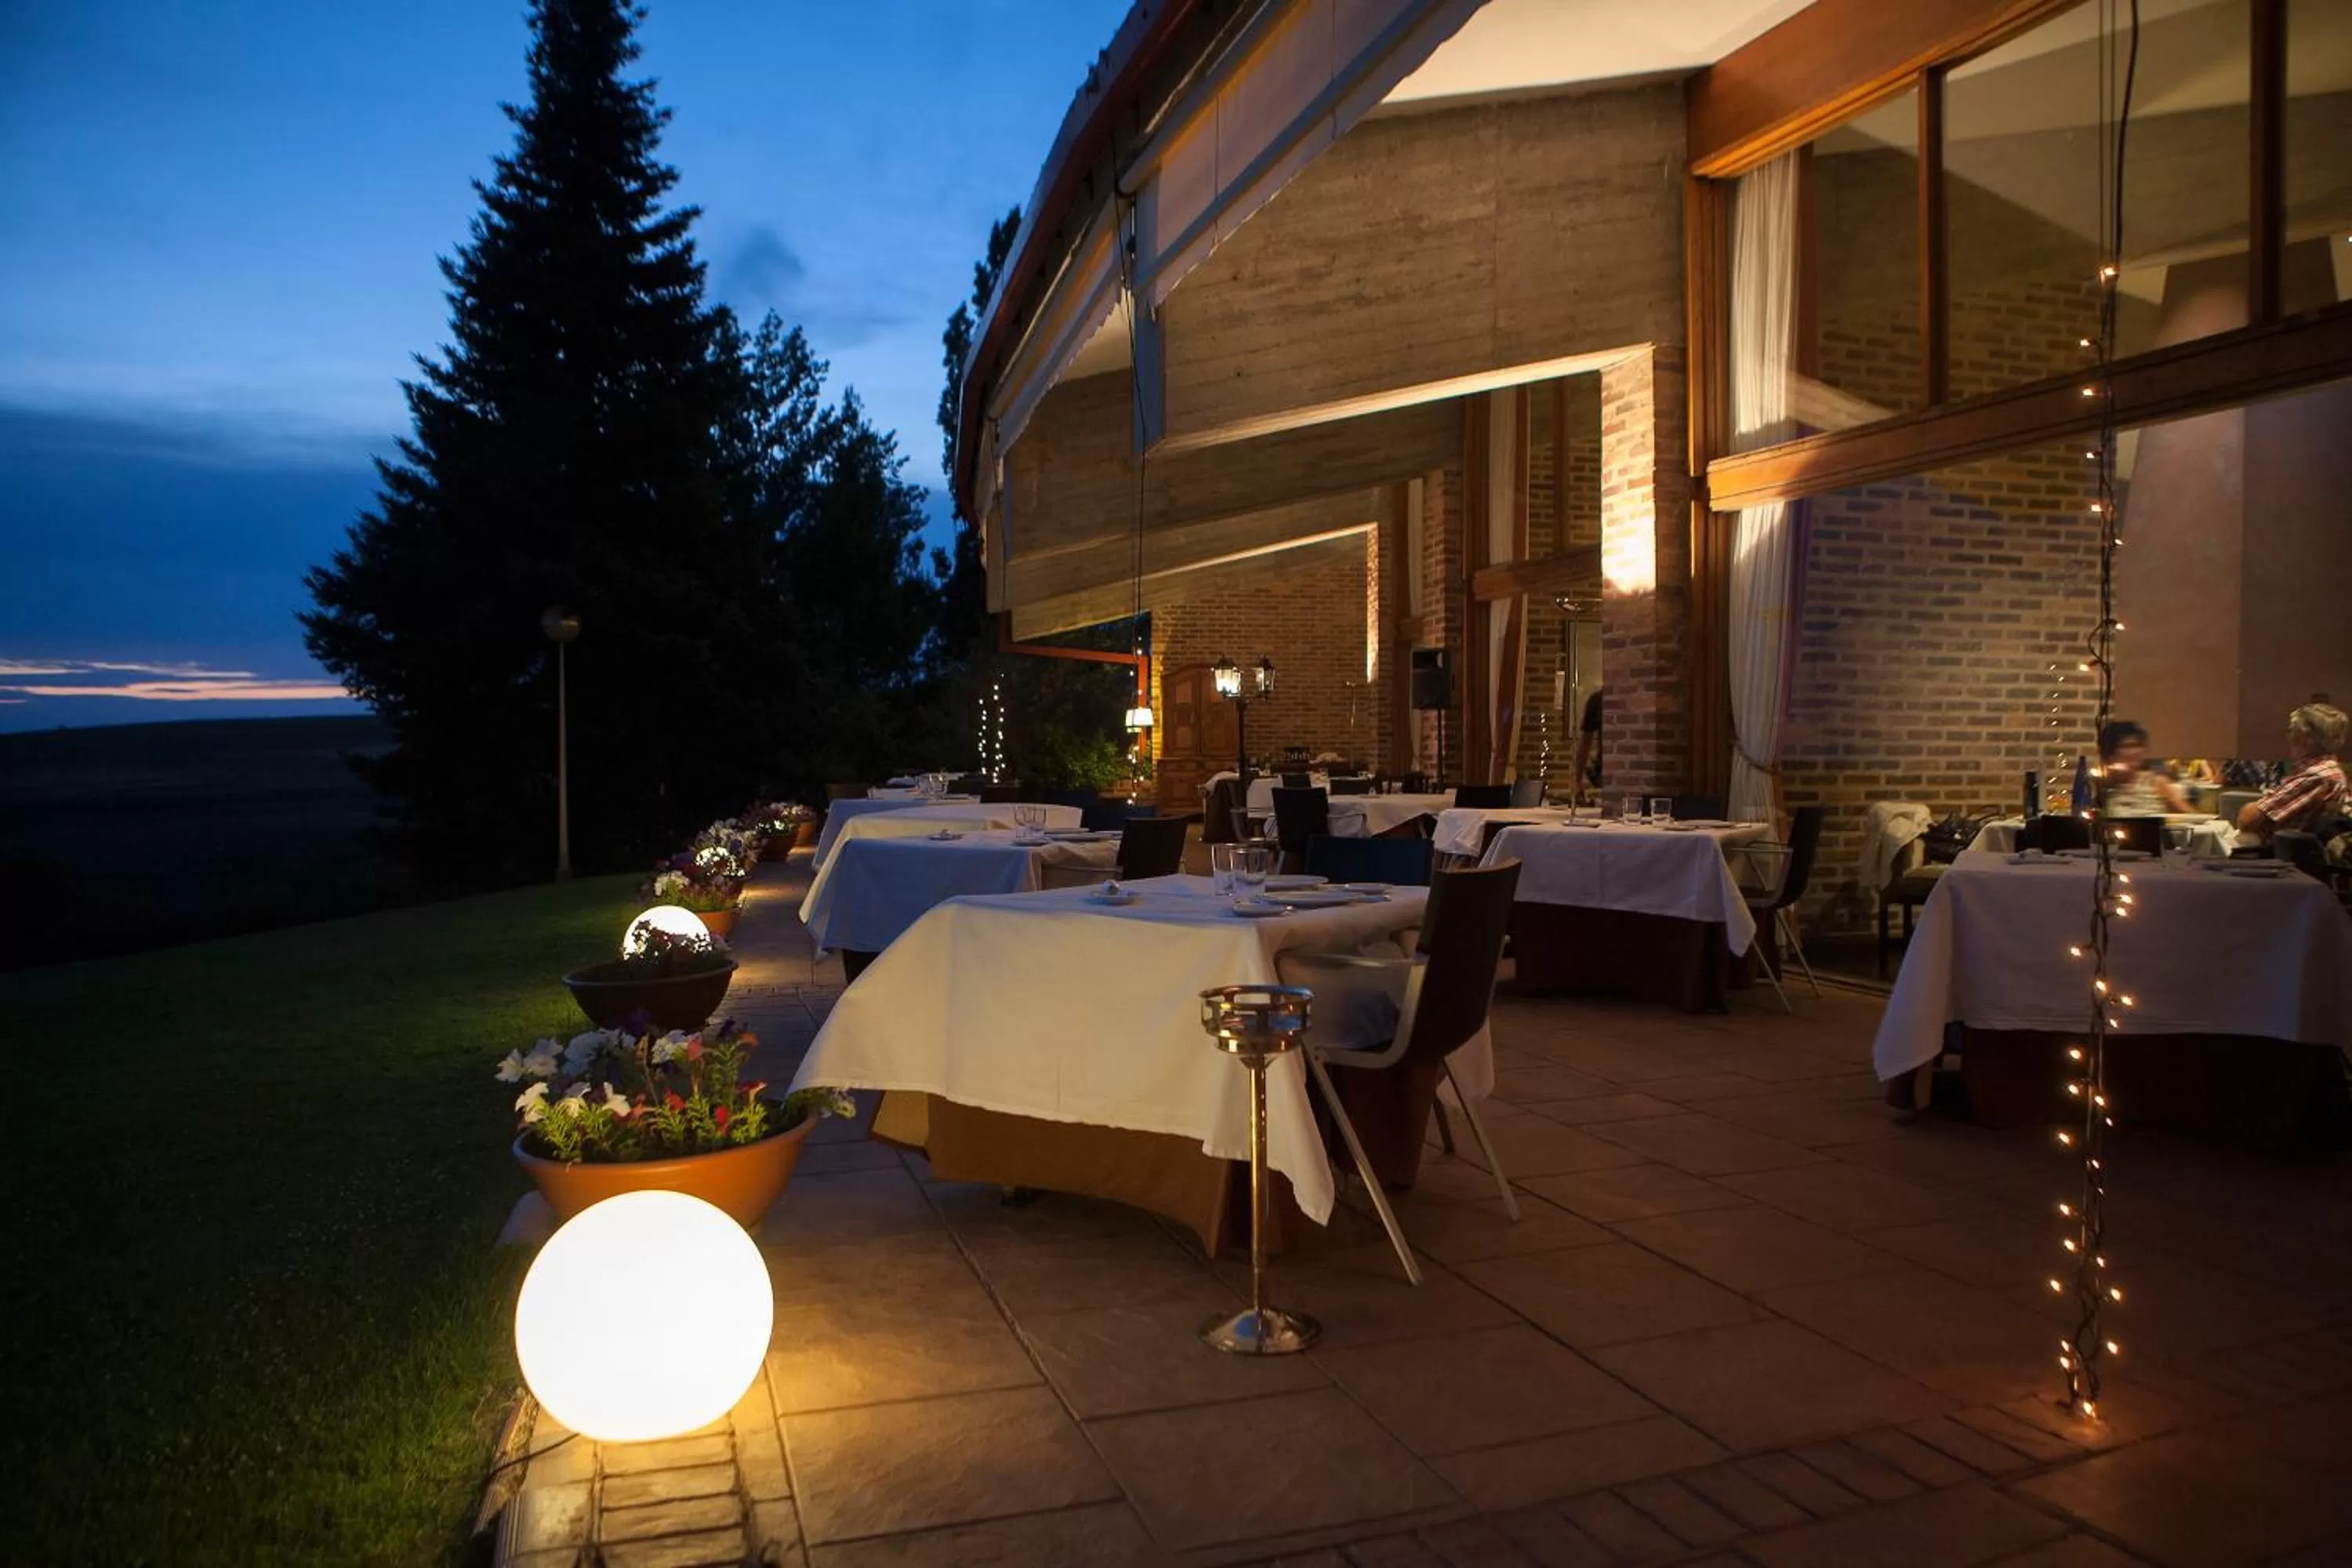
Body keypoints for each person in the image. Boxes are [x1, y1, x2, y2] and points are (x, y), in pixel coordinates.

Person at [2235, 702, 2349, 841]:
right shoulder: (2330, 769)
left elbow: (2247, 821)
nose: (2288, 737)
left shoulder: (2316, 776)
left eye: (2291, 730)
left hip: (2280, 857)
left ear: (2305, 739)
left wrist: (2256, 805)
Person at [2099, 720, 2188, 815]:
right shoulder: (2104, 786)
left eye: (2138, 745)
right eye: (2127, 746)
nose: (2134, 752)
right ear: (2112, 753)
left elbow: (2191, 815)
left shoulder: (2156, 782)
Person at [1573, 688, 1602, 804]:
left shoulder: (1598, 699)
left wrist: (1578, 780)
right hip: (1604, 770)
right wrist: (1578, 780)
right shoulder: (1597, 700)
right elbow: (1585, 743)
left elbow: (1585, 743)